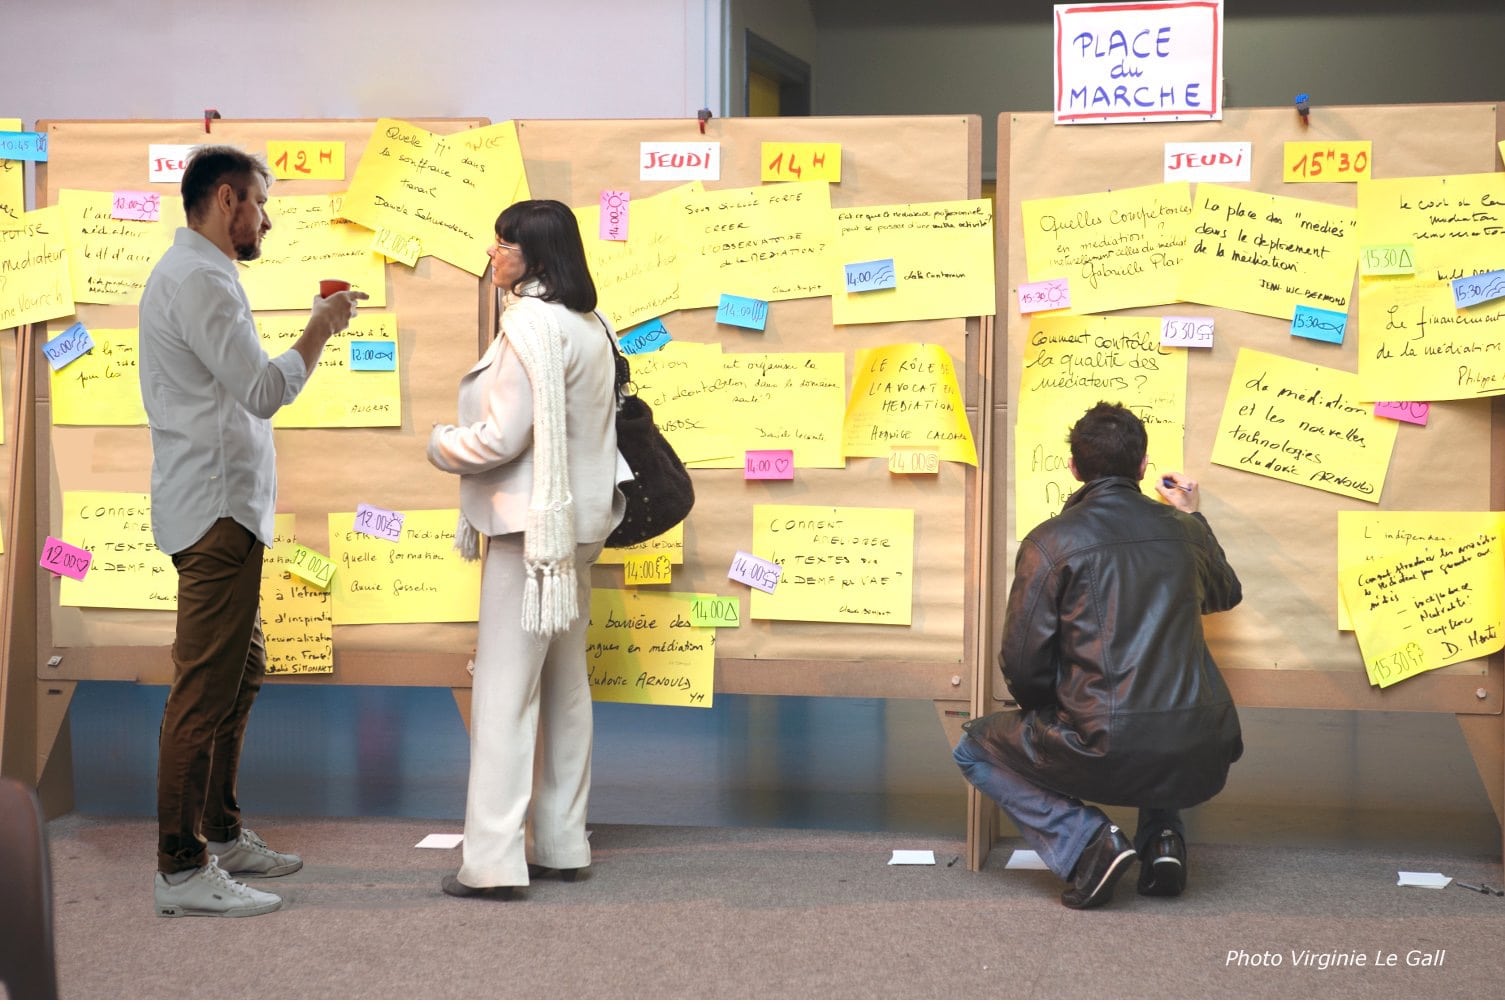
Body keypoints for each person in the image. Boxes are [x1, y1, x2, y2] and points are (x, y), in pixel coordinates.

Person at [141, 145, 365, 918]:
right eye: (261, 204)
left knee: (243, 673)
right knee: (203, 691)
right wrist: (321, 327)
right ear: (228, 199)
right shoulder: (202, 279)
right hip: (215, 513)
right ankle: (180, 867)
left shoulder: (200, 276)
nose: (265, 218)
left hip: (223, 511)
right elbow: (265, 391)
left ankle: (223, 831)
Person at [955, 401, 1242, 909]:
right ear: (1142, 466)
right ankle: (1163, 843)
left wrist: (1050, 710)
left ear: (1073, 468)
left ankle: (1089, 843)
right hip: (1204, 743)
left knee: (975, 747)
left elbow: (1022, 662)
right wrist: (1192, 515)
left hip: (1104, 742)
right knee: (1156, 696)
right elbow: (1225, 595)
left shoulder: (1051, 541)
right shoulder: (1186, 530)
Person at [427, 199, 629, 899]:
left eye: (503, 242)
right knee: (567, 689)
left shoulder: (528, 326)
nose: (492, 251)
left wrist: (439, 444)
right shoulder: (589, 324)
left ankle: (491, 863)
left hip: (526, 535)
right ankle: (564, 843)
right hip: (576, 529)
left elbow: (500, 438)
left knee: (505, 696)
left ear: (534, 256)